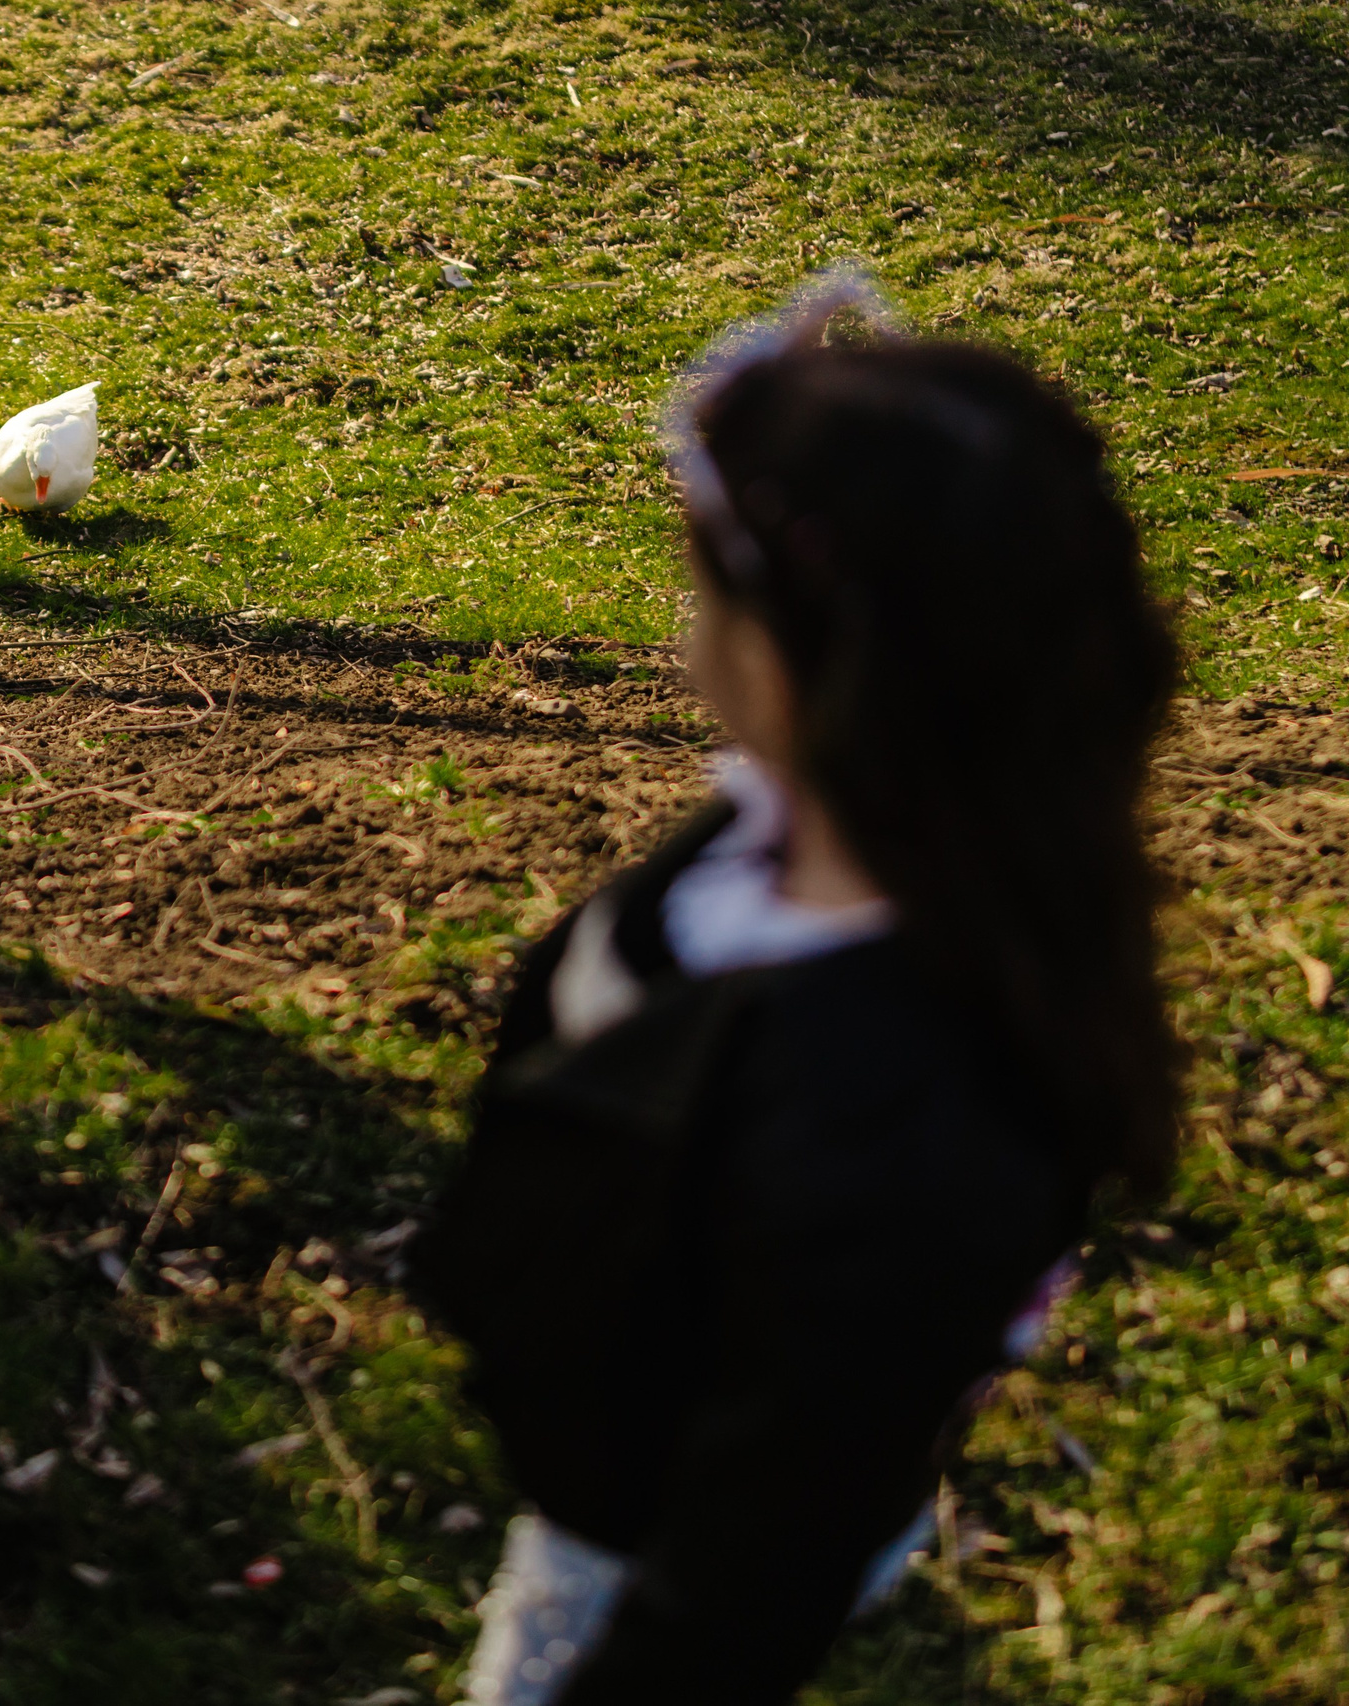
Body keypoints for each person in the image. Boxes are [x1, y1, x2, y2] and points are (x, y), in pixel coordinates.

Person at [414, 267, 1181, 1705]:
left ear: (808, 656)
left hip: (648, 1547)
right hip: (632, 1404)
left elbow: (759, 1560)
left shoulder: (901, 1127)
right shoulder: (807, 824)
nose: (682, 620)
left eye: (703, 582)